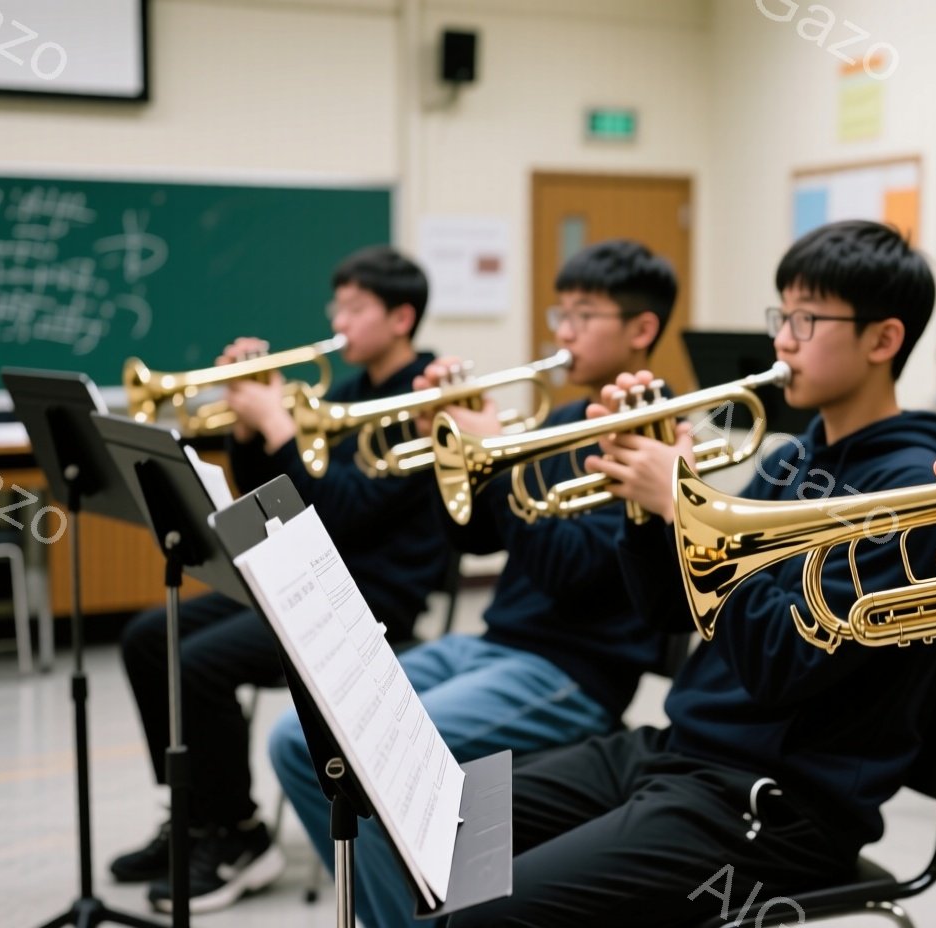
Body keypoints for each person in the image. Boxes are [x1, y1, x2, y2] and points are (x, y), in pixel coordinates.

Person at [447, 220, 936, 927]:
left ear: (883, 340)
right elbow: (670, 612)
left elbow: (784, 661)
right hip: (682, 752)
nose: (783, 338)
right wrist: (644, 504)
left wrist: (685, 507)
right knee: (445, 825)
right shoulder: (792, 457)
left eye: (807, 319)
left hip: (776, 805)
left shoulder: (908, 497)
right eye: (781, 314)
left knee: (489, 911)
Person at [267, 238, 673, 928]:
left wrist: (498, 464)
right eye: (559, 313)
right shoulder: (565, 419)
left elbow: (573, 577)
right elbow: (473, 539)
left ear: (641, 330)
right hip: (491, 644)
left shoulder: (659, 438)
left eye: (583, 315)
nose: (563, 333)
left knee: (371, 754)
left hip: (570, 670)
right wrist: (450, 453)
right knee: (295, 738)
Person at [113, 245, 449, 914]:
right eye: (338, 304)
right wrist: (249, 431)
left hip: (373, 598)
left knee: (199, 663)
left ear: (402, 317)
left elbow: (345, 515)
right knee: (149, 637)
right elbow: (278, 499)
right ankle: (196, 814)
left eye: (355, 307)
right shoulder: (347, 390)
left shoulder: (425, 400)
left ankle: (239, 835)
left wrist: (279, 428)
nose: (338, 318)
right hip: (309, 577)